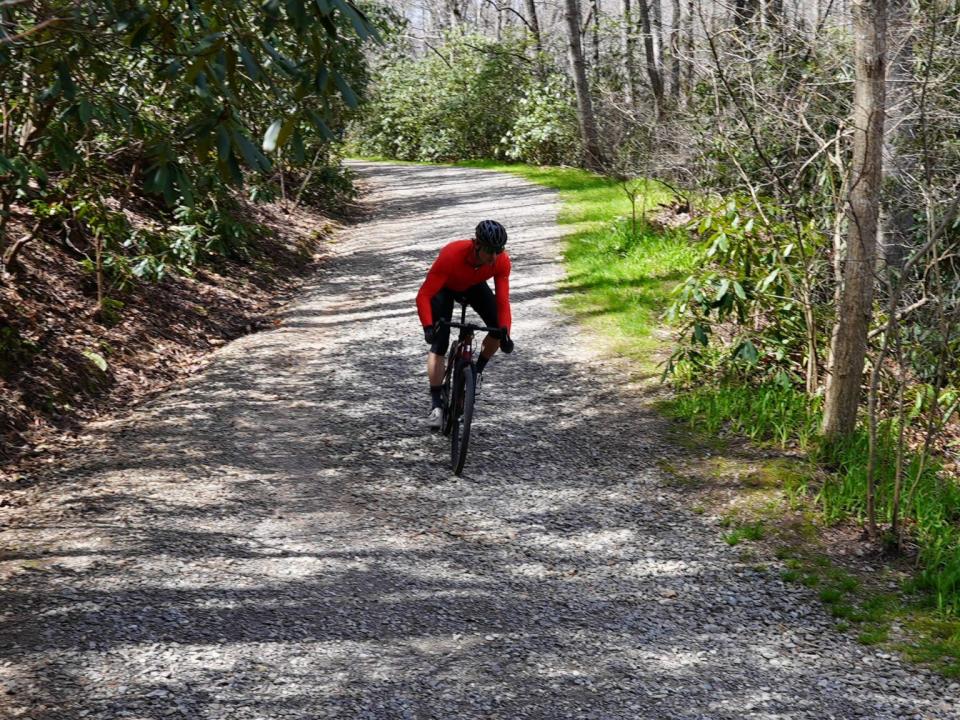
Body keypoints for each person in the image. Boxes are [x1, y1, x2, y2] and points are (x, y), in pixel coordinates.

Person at [416, 220, 515, 430]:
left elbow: (502, 301)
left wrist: (506, 332)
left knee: (497, 328)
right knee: (439, 342)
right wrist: (427, 327)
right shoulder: (452, 255)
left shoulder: (501, 261)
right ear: (477, 245)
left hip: (474, 286)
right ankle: (436, 405)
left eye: (499, 250)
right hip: (445, 287)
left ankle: (477, 372)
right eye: (490, 251)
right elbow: (424, 295)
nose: (494, 257)